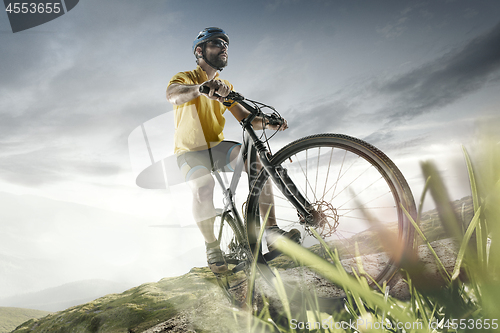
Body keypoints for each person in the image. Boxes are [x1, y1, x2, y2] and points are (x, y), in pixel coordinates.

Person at [166, 27, 299, 274]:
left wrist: (271, 123)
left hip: (217, 147)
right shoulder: (186, 77)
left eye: (226, 44)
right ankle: (212, 246)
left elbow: (246, 117)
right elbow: (173, 96)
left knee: (259, 162)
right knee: (204, 188)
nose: (224, 47)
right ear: (200, 50)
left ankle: (270, 230)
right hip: (189, 151)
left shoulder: (224, 86)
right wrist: (201, 89)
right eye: (216, 43)